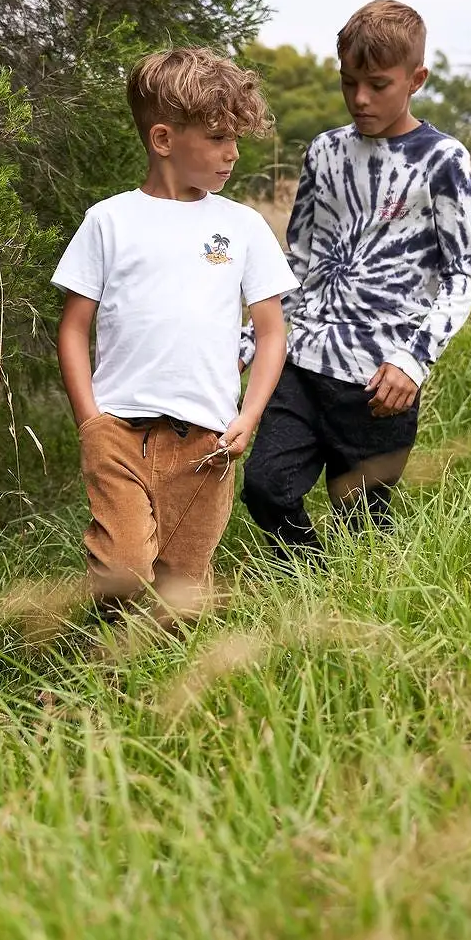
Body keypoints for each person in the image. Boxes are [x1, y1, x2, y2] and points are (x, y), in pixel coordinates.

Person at [53, 47, 297, 616]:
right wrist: (90, 421)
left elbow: (271, 333)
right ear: (163, 139)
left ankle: (148, 692)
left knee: (181, 595)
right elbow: (73, 328)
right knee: (124, 571)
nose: (232, 153)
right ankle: (91, 673)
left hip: (207, 442)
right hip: (119, 432)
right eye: (216, 138)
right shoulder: (109, 220)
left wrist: (249, 417)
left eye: (236, 138)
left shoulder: (242, 227)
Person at [242, 0, 471, 559]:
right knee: (266, 488)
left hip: (380, 382)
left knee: (365, 530)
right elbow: (296, 259)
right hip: (303, 360)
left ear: (416, 78)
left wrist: (412, 361)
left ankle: (347, 609)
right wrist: (253, 340)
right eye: (349, 82)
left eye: (378, 84)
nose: (360, 99)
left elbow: (463, 275)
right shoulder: (324, 151)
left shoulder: (443, 159)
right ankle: (308, 574)